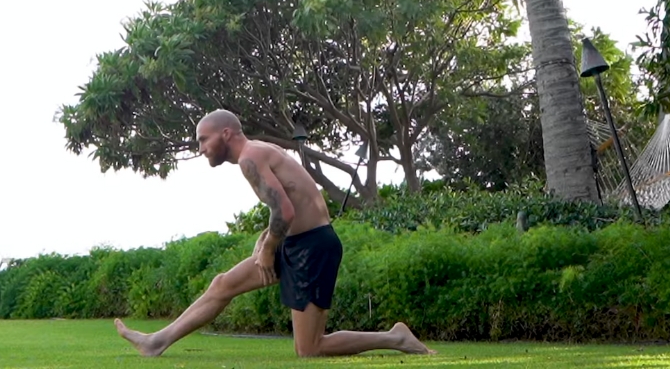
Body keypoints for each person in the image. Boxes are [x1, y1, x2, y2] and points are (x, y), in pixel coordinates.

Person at [114, 109, 436, 358]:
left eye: (203, 139)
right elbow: (283, 206)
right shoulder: (256, 152)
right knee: (223, 284)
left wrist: (269, 247)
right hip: (295, 242)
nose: (200, 148)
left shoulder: (250, 158)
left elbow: (286, 211)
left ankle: (396, 338)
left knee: (308, 349)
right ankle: (157, 342)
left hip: (314, 246)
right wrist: (265, 240)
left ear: (225, 133)